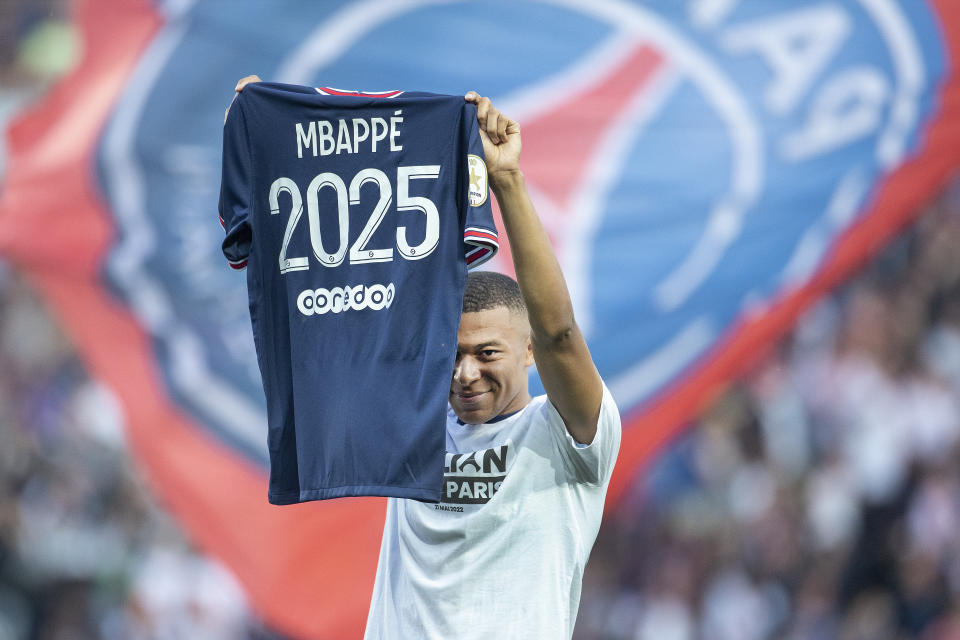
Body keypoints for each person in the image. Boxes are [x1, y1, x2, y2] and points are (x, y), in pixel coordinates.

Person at [229, 77, 621, 639]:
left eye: (488, 354)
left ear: (528, 349)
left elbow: (560, 331)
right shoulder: (411, 420)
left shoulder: (572, 438)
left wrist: (505, 177)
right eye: (452, 353)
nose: (466, 373)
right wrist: (273, 130)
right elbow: (340, 302)